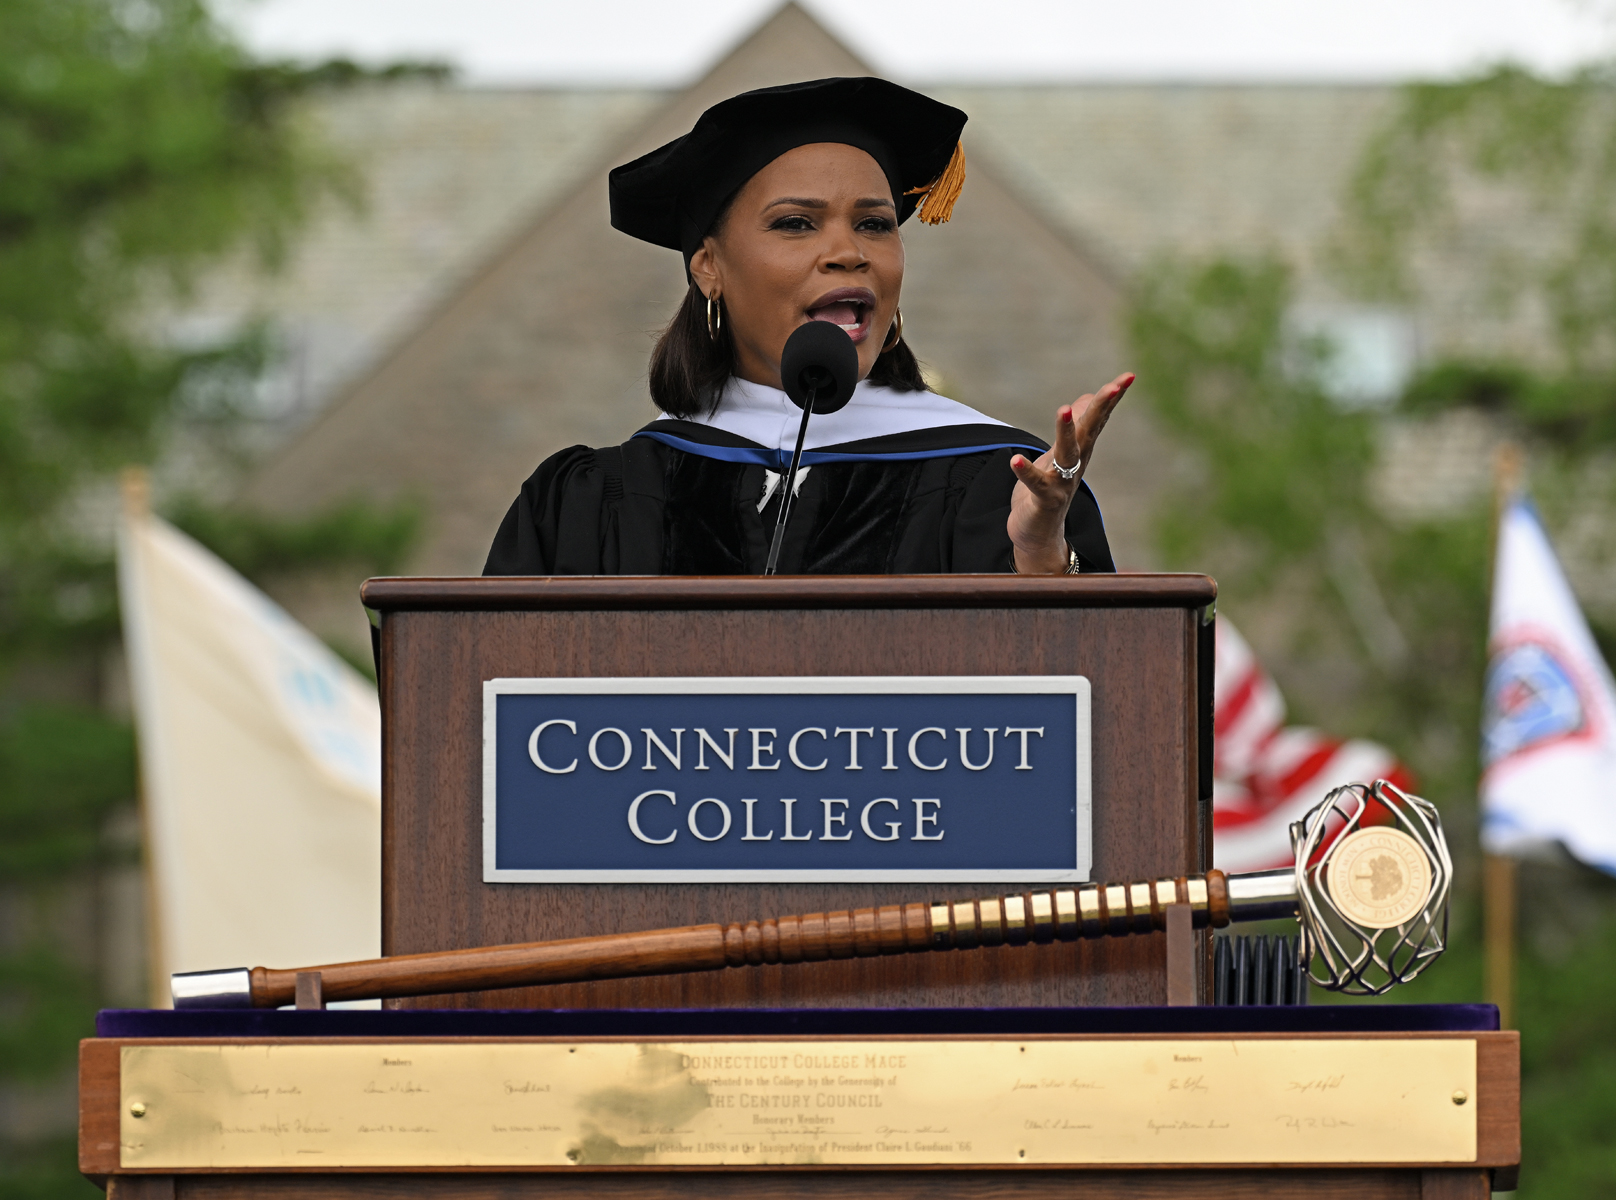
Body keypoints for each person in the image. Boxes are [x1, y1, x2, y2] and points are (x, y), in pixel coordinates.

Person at [484, 77, 1132, 577]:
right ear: (709, 266)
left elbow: (1085, 724)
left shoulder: (999, 484)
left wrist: (1042, 559)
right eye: (796, 223)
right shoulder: (591, 505)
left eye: (875, 224)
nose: (849, 251)